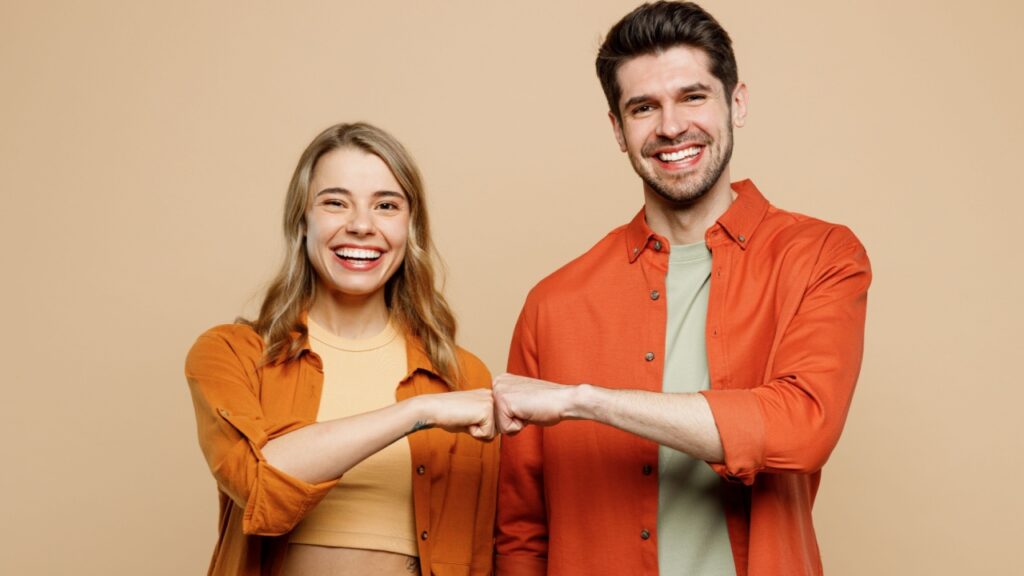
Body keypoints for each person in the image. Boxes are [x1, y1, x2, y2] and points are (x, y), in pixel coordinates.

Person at [492, 2, 871, 575]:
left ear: (736, 103)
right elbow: (522, 534)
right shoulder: (552, 304)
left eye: (692, 97)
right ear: (618, 130)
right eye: (644, 107)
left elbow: (801, 428)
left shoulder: (820, 256)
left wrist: (584, 401)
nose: (670, 127)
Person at [185, 122, 499, 576]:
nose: (361, 226)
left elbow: (488, 546)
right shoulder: (232, 354)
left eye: (386, 206)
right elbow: (260, 487)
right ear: (302, 220)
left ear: (410, 227)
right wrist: (419, 411)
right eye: (335, 202)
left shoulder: (462, 375)